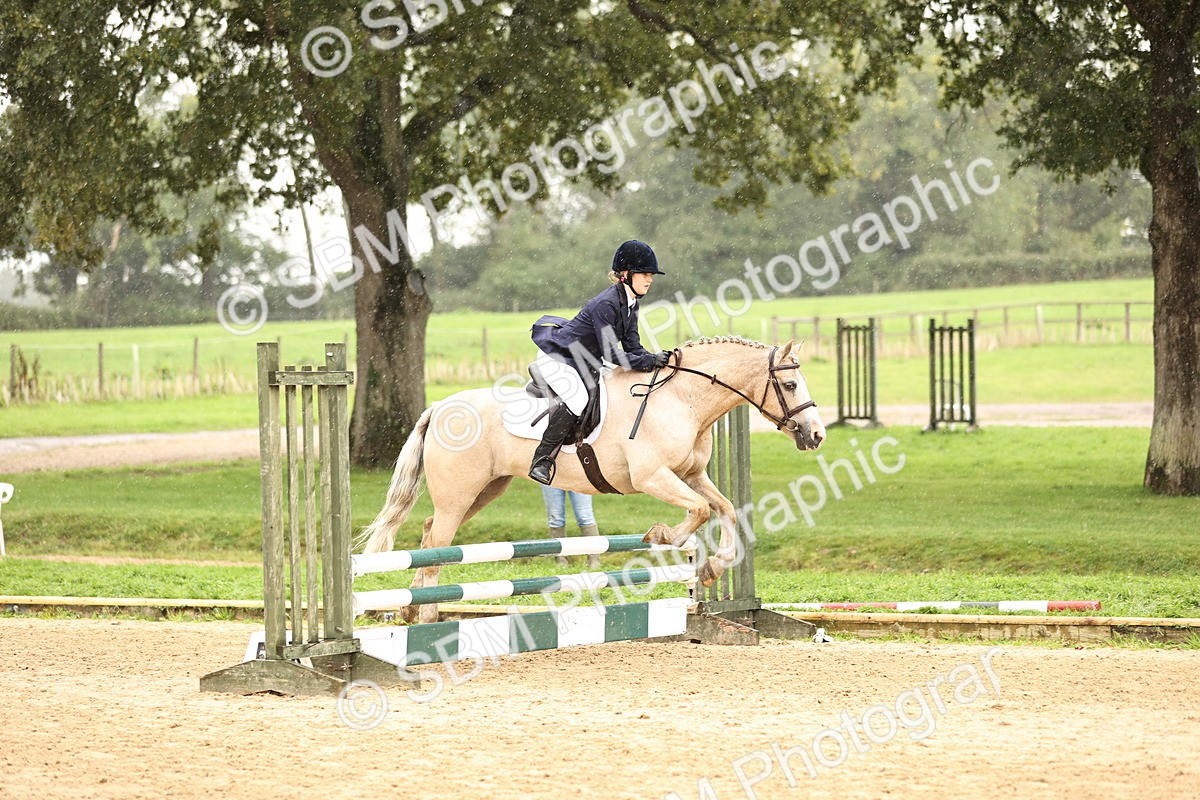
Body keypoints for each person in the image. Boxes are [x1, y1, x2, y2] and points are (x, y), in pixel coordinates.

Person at [528, 240, 671, 485]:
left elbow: (632, 346)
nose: (650, 279)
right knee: (578, 399)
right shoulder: (606, 304)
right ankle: (542, 460)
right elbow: (610, 354)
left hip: (585, 358)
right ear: (625, 274)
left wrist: (653, 360)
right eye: (645, 274)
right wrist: (648, 360)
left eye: (651, 275)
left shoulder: (631, 303)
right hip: (560, 356)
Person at [541, 486, 602, 569]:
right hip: (550, 475)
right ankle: (561, 563)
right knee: (555, 519)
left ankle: (594, 562)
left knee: (585, 516)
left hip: (578, 475)